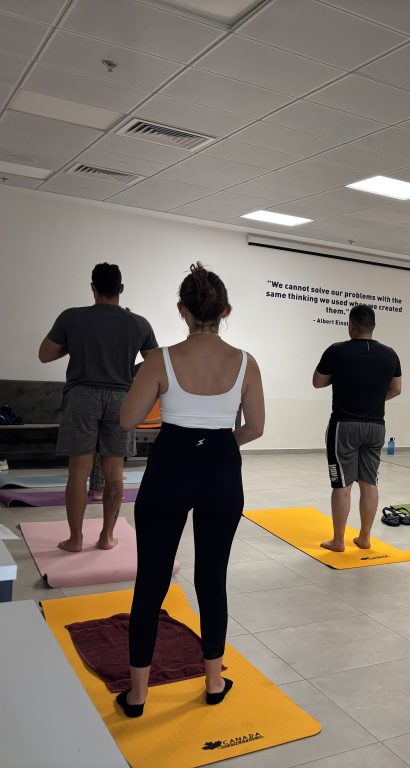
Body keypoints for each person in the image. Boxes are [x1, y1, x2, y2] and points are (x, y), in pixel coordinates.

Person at [115, 262, 265, 717]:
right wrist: (216, 445)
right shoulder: (246, 362)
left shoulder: (159, 359)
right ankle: (214, 682)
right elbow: (255, 428)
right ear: (226, 311)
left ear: (182, 310)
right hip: (221, 470)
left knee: (152, 579)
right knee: (212, 578)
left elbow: (127, 420)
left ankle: (138, 694)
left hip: (170, 468)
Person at [38, 262, 157, 552]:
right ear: (121, 288)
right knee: (114, 473)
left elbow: (45, 354)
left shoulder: (72, 317)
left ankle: (75, 539)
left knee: (78, 473)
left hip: (82, 396)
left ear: (92, 287)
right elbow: (155, 363)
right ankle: (106, 537)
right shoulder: (139, 323)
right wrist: (129, 371)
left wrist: (75, 344)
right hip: (120, 399)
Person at [314, 305, 401, 552]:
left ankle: (338, 541)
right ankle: (364, 538)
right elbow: (396, 389)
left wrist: (342, 378)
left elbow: (318, 382)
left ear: (351, 326)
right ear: (373, 326)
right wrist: (373, 398)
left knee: (342, 485)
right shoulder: (390, 354)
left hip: (344, 425)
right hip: (376, 425)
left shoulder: (337, 350)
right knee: (369, 482)